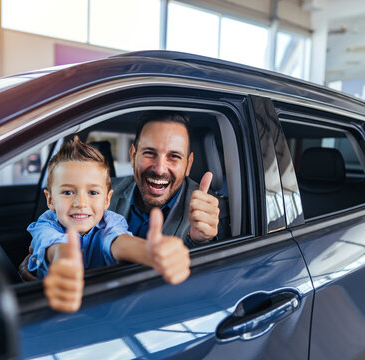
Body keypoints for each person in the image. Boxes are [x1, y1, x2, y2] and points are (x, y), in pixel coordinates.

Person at [28, 136, 190, 312]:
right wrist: (64, 260)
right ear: (50, 200)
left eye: (93, 192)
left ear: (107, 200)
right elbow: (53, 245)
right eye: (67, 192)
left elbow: (119, 241)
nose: (80, 203)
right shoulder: (46, 224)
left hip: (103, 310)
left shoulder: (110, 221)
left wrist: (149, 252)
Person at [109, 110, 221, 245]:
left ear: (188, 164)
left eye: (174, 156)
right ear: (133, 156)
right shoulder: (100, 193)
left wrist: (199, 241)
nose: (160, 169)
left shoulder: (211, 213)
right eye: (150, 153)